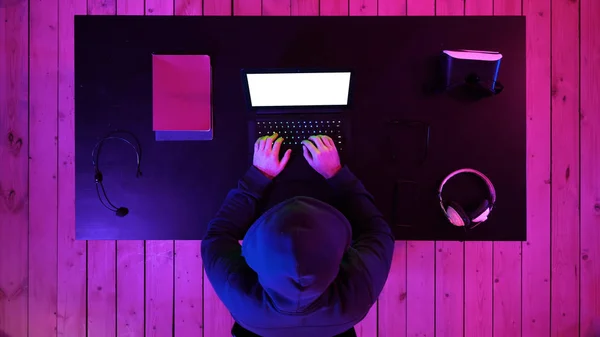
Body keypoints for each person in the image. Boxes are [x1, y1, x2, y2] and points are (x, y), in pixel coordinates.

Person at [201, 132, 395, 337]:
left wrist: (260, 176)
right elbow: (379, 232)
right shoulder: (357, 297)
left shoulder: (237, 294)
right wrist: (336, 174)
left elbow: (217, 235)